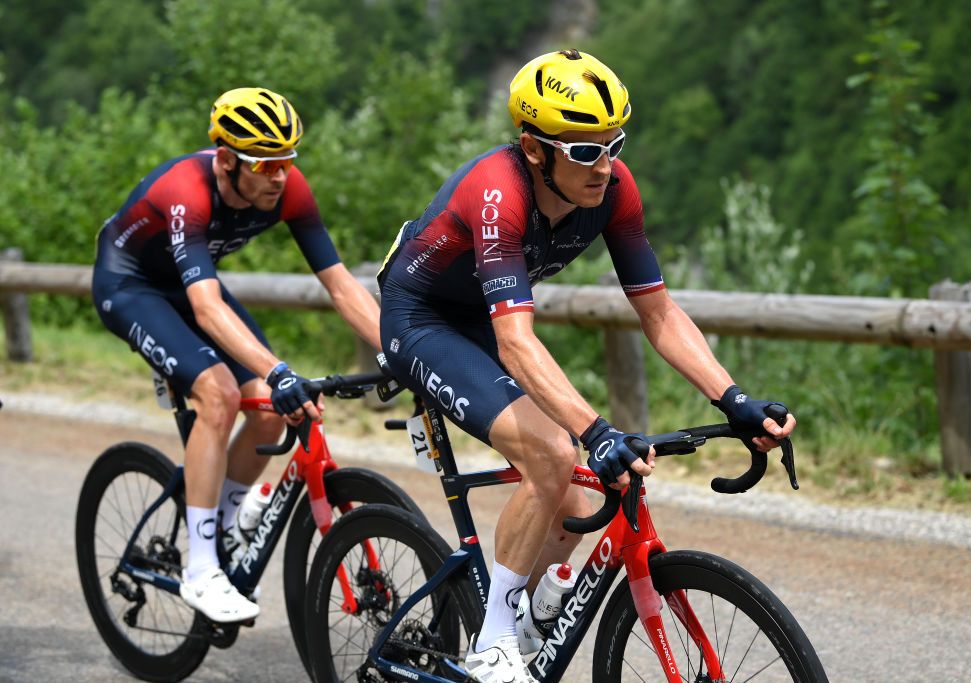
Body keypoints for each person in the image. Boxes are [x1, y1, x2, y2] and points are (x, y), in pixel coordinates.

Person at [377, 49, 796, 682]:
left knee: (579, 486)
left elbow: (659, 314)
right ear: (535, 148)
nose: (604, 166)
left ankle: (523, 611)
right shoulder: (499, 193)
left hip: (487, 323)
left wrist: (733, 400)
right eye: (583, 151)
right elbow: (517, 342)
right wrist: (595, 429)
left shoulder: (615, 191)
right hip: (422, 321)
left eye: (613, 144)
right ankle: (493, 642)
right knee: (554, 449)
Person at [92, 87, 381, 623]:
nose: (280, 175)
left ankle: (222, 520)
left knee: (272, 408)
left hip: (184, 287)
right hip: (130, 287)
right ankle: (201, 569)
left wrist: (400, 349)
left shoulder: (288, 189)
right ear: (226, 160)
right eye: (266, 163)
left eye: (288, 161)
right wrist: (276, 368)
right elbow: (205, 308)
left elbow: (340, 286)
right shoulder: (189, 191)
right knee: (219, 394)